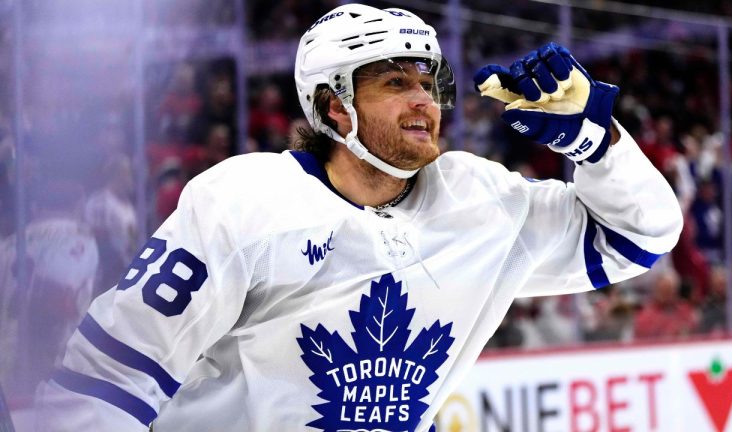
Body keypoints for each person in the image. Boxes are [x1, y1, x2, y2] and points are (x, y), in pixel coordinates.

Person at [36, 4, 682, 431]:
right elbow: (108, 379)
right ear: (334, 107)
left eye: (426, 83)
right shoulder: (243, 200)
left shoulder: (480, 202)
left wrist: (594, 144)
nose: (423, 101)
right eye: (394, 84)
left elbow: (639, 237)